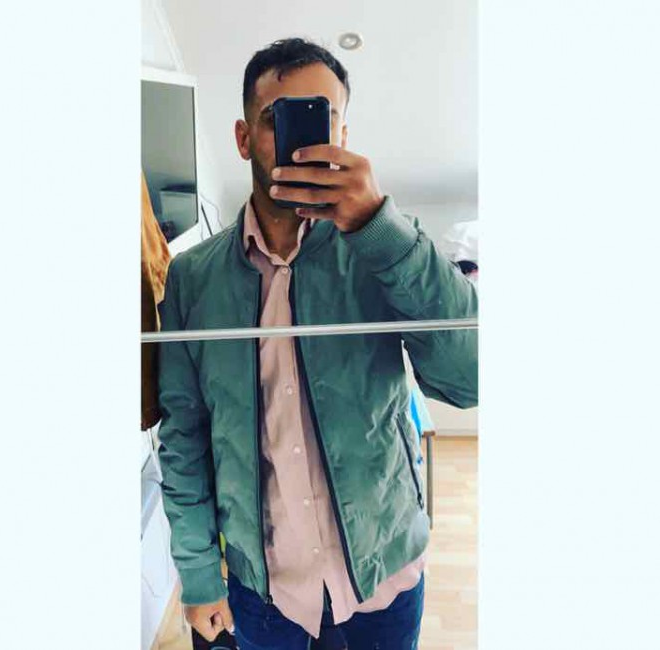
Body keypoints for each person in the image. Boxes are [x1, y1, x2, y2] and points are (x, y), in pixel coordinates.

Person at [157, 37, 478, 650]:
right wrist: (198, 574)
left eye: (321, 118)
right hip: (265, 592)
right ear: (243, 138)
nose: (301, 141)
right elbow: (184, 436)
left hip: (383, 578)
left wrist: (381, 230)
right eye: (276, 119)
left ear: (344, 134)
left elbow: (470, 379)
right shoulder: (193, 279)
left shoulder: (385, 249)